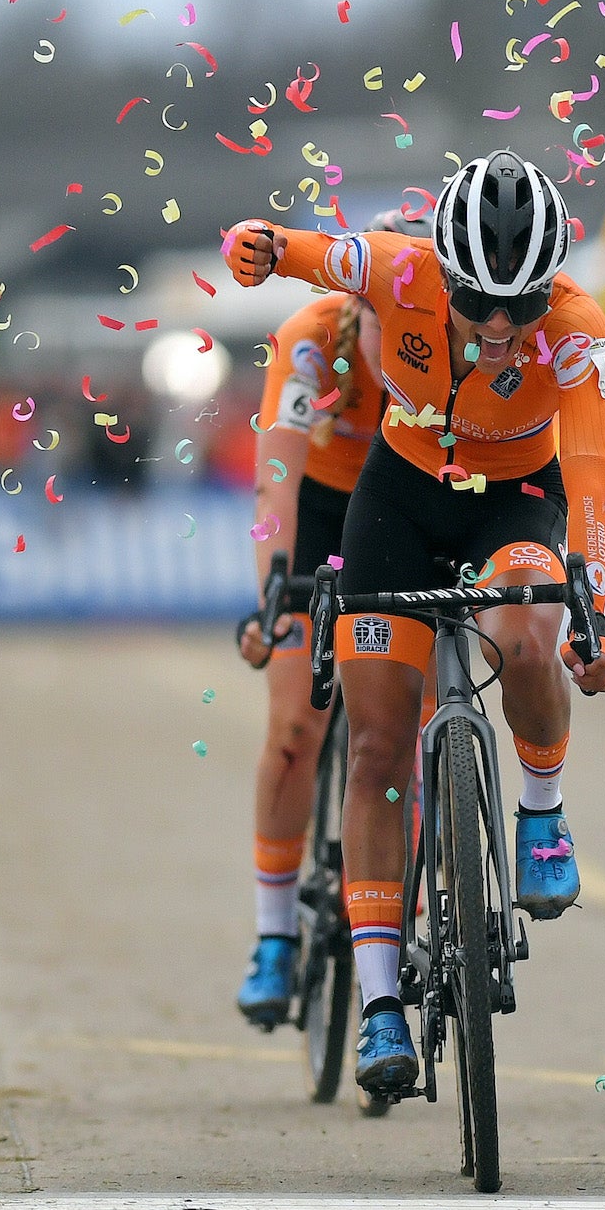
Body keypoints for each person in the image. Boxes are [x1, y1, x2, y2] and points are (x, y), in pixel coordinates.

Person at [226, 150, 605, 1097]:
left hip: (517, 498)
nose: (498, 325)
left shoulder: (577, 332)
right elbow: (312, 255)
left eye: (520, 305)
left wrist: (592, 608)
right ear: (436, 273)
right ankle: (375, 1006)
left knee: (528, 632)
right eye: (478, 300)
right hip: (395, 504)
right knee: (370, 750)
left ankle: (542, 812)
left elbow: (595, 474)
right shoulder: (385, 281)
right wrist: (264, 249)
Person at [231, 227, 395, 1030]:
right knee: (297, 724)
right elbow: (277, 489)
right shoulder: (309, 344)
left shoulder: (454, 338)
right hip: (322, 513)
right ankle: (274, 935)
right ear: (356, 307)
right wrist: (273, 595)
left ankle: (392, 931)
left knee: (399, 734)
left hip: (407, 517)